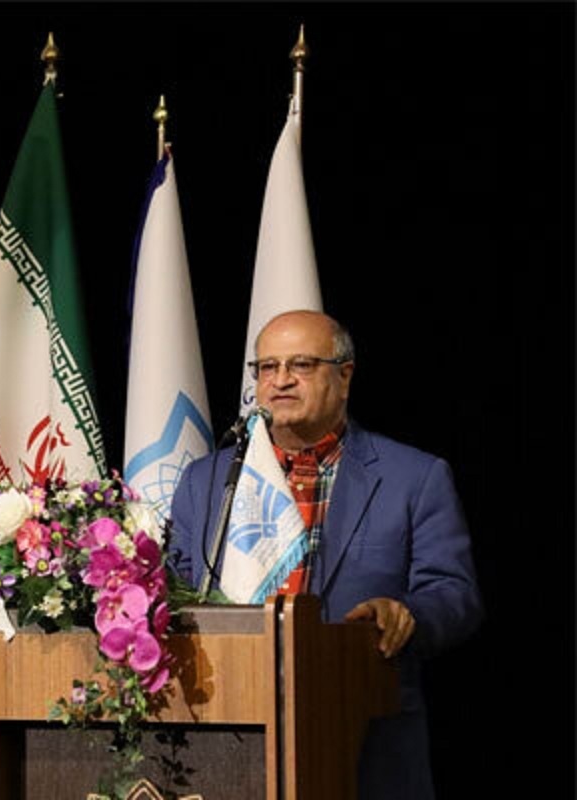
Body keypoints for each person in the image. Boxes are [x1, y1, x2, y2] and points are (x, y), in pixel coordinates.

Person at [168, 309, 482, 800]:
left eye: (302, 365)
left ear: (345, 377)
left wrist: (407, 614)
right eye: (267, 367)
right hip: (228, 736)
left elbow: (454, 593)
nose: (281, 381)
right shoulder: (206, 481)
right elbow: (174, 586)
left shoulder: (414, 477)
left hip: (364, 738)